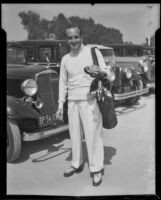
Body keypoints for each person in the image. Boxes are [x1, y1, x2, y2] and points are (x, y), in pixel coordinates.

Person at [56, 25, 110, 186]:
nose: (73, 40)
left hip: (90, 101)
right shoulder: (65, 59)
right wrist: (60, 106)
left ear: (82, 37)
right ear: (67, 40)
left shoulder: (93, 52)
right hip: (72, 102)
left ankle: (96, 169)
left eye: (76, 37)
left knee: (93, 136)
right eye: (70, 38)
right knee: (75, 136)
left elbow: (107, 72)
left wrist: (99, 72)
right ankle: (76, 163)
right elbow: (62, 84)